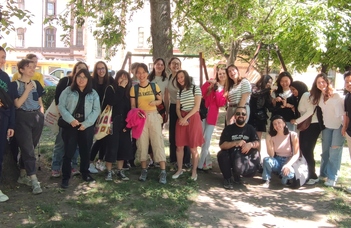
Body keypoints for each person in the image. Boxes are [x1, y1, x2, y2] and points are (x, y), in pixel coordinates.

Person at [58, 68, 100, 188]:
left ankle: (85, 173)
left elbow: (96, 110)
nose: (81, 80)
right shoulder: (68, 91)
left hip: (85, 126)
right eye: (79, 77)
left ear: (88, 80)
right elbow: (61, 106)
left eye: (84, 77)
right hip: (71, 125)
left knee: (85, 151)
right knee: (68, 152)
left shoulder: (93, 93)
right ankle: (65, 177)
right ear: (75, 78)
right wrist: (71, 120)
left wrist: (86, 124)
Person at [130, 63, 167, 184]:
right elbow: (133, 107)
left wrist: (154, 102)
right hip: (141, 119)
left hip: (153, 116)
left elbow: (160, 100)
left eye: (143, 72)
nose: (141, 75)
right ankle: (144, 169)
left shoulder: (154, 86)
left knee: (157, 142)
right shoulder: (134, 89)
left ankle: (163, 171)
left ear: (147, 73)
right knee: (142, 144)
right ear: (135, 74)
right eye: (138, 72)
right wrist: (137, 113)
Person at [12, 59, 45, 194]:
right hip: (22, 118)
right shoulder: (15, 85)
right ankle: (34, 180)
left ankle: (22, 174)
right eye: (29, 67)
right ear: (21, 70)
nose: (32, 69)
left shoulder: (36, 84)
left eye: (33, 67)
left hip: (36, 117)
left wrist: (41, 114)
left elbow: (39, 101)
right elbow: (18, 104)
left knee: (31, 146)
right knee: (28, 149)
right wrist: (26, 90)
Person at [51, 62, 87, 177]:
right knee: (61, 143)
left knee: (75, 145)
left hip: (79, 121)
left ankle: (73, 166)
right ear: (75, 69)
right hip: (65, 119)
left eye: (84, 70)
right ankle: (56, 167)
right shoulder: (65, 81)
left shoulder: (86, 85)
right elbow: (58, 100)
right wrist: (63, 115)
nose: (81, 72)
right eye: (79, 68)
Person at [310, 73, 344, 187]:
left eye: (323, 82)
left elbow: (341, 114)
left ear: (327, 82)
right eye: (318, 82)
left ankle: (332, 177)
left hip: (339, 126)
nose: (321, 84)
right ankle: (323, 174)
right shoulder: (319, 96)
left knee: (334, 152)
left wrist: (344, 127)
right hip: (326, 126)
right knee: (325, 152)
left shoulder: (336, 95)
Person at [172, 70, 204, 181]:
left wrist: (186, 118)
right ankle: (180, 169)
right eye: (178, 78)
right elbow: (177, 108)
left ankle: (194, 171)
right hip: (182, 118)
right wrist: (181, 118)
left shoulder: (196, 88)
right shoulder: (179, 92)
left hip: (193, 117)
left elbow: (196, 107)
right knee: (179, 146)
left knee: (193, 148)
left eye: (182, 77)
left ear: (186, 76)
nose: (180, 80)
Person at [218, 107, 260, 189]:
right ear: (234, 116)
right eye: (238, 113)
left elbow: (257, 142)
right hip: (230, 155)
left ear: (246, 117)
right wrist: (236, 143)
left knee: (255, 153)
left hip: (244, 156)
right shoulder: (228, 129)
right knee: (222, 154)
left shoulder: (250, 128)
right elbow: (222, 145)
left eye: (243, 114)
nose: (241, 115)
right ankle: (228, 178)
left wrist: (250, 144)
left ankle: (238, 174)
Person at [103, 70, 133, 181]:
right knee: (111, 146)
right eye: (121, 77)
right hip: (112, 122)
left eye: (125, 78)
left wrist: (128, 124)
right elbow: (112, 102)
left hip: (124, 122)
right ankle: (109, 171)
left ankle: (120, 171)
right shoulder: (111, 89)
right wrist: (120, 88)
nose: (123, 80)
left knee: (123, 147)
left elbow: (130, 108)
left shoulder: (129, 91)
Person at [289, 81, 321, 185]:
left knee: (307, 149)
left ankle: (313, 175)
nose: (293, 92)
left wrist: (296, 121)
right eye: (291, 90)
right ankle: (307, 173)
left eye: (294, 89)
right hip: (307, 126)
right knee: (303, 148)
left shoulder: (306, 95)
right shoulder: (302, 97)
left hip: (313, 125)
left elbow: (310, 111)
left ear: (299, 88)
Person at [198, 66, 227, 170]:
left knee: (207, 138)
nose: (222, 75)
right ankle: (208, 161)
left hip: (212, 115)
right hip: (203, 112)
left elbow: (220, 103)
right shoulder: (212, 83)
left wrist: (218, 90)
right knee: (202, 137)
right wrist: (208, 83)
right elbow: (201, 93)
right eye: (220, 74)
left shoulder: (226, 89)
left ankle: (200, 164)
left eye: (224, 73)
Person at [261, 115, 300, 188]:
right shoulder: (273, 136)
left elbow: (296, 154)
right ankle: (266, 179)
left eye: (279, 123)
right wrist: (268, 140)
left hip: (289, 160)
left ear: (284, 124)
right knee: (266, 160)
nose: (277, 125)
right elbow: (271, 155)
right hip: (277, 160)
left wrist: (288, 165)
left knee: (290, 174)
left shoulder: (293, 135)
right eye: (274, 124)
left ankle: (284, 178)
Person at [89, 61, 114, 173]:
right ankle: (89, 162)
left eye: (103, 68)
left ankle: (99, 161)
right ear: (95, 70)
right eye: (98, 68)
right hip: (93, 113)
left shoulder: (110, 81)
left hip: (106, 114)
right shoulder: (91, 81)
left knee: (104, 137)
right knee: (98, 138)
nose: (101, 70)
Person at [167, 57, 191, 169]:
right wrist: (166, 111)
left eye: (178, 64)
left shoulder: (187, 78)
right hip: (173, 107)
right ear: (169, 66)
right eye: (173, 64)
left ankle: (186, 160)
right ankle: (173, 159)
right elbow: (166, 96)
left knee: (185, 133)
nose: (175, 66)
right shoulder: (168, 79)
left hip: (185, 107)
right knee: (173, 133)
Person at [147, 58, 169, 167]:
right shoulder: (148, 78)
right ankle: (150, 157)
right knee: (148, 133)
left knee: (157, 133)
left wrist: (167, 112)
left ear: (164, 67)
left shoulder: (166, 80)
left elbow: (166, 97)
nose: (160, 66)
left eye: (162, 64)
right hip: (148, 107)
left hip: (160, 108)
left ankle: (157, 157)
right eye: (158, 64)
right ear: (154, 65)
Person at [0, 47, 15, 201]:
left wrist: (11, 124)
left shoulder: (5, 77)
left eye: (3, 57)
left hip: (3, 120)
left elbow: (10, 103)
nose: (2, 60)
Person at [248, 74, 273, 152]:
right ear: (263, 80)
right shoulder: (253, 87)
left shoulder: (267, 93)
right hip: (250, 116)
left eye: (271, 83)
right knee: (248, 137)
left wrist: (277, 102)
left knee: (257, 139)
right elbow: (255, 94)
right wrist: (268, 89)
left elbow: (270, 107)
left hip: (260, 118)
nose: (269, 84)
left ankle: (257, 158)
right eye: (268, 82)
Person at [342, 71, 351, 193]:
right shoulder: (347, 97)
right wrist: (344, 127)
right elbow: (347, 114)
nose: (349, 83)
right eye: (347, 81)